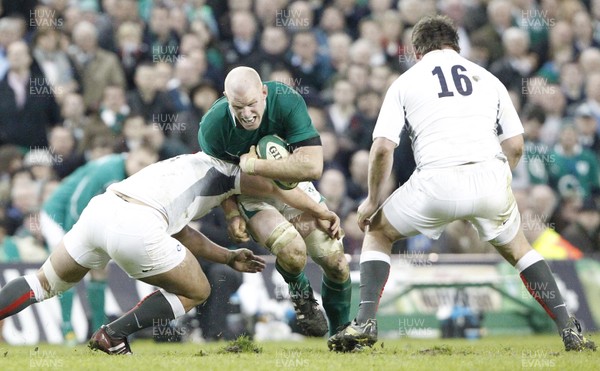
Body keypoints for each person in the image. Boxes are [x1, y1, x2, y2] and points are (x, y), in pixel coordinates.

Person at [328, 16, 597, 353]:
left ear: (416, 51)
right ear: (456, 44)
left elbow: (383, 147)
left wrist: (371, 200)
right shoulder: (489, 78)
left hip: (434, 183)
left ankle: (365, 320)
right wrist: (497, 181)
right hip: (489, 179)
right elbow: (515, 146)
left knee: (379, 233)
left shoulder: (406, 81)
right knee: (519, 249)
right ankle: (569, 330)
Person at [0, 151, 340, 355]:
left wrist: (226, 256)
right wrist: (321, 210)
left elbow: (181, 229)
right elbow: (275, 187)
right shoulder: (231, 170)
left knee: (43, 283)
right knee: (197, 290)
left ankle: (111, 337)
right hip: (135, 224)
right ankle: (112, 334)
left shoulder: (180, 163)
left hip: (101, 211)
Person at [198, 66, 351, 337]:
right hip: (250, 193)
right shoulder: (212, 128)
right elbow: (221, 179)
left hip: (291, 182)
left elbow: (313, 168)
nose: (246, 114)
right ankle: (301, 295)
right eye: (237, 107)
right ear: (225, 98)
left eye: (253, 104)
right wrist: (232, 213)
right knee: (292, 252)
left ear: (264, 92)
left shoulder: (287, 101)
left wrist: (256, 165)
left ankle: (343, 334)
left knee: (336, 262)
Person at [40, 145, 159, 345]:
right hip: (58, 216)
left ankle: (98, 330)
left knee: (99, 270)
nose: (142, 169)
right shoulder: (108, 170)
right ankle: (67, 329)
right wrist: (74, 239)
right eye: (140, 163)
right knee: (67, 270)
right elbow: (77, 200)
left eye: (147, 166)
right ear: (129, 156)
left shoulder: (134, 177)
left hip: (93, 222)